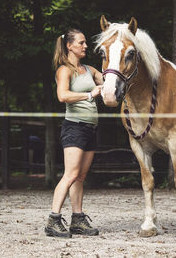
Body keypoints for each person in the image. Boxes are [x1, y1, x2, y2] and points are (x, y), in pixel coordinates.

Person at [45, 29, 104, 238]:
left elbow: (107, 79)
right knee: (70, 175)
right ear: (69, 46)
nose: (85, 46)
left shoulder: (89, 69)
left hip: (90, 128)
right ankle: (53, 220)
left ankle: (77, 220)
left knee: (80, 176)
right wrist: (90, 94)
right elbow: (62, 95)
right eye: (81, 42)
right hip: (74, 127)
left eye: (85, 42)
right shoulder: (64, 70)